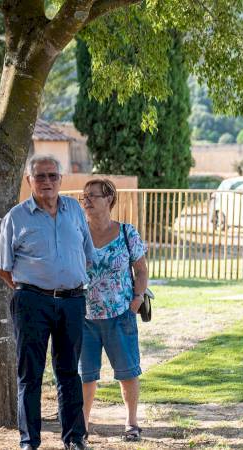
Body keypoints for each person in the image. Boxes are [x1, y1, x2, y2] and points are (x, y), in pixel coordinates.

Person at [0, 155, 94, 450]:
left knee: (68, 372)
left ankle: (75, 439)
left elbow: (87, 254)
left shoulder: (75, 211)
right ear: (29, 181)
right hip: (31, 302)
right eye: (40, 176)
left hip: (72, 301)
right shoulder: (15, 217)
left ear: (61, 180)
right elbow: (4, 268)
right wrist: (34, 291)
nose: (47, 182)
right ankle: (29, 441)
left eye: (53, 176)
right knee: (30, 374)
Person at [78, 179, 148, 442]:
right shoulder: (78, 233)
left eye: (92, 196)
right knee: (86, 375)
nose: (86, 201)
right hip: (84, 317)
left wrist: (136, 300)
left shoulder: (128, 233)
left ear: (108, 198)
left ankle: (131, 423)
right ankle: (82, 425)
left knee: (127, 371)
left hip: (121, 315)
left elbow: (141, 270)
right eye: (84, 197)